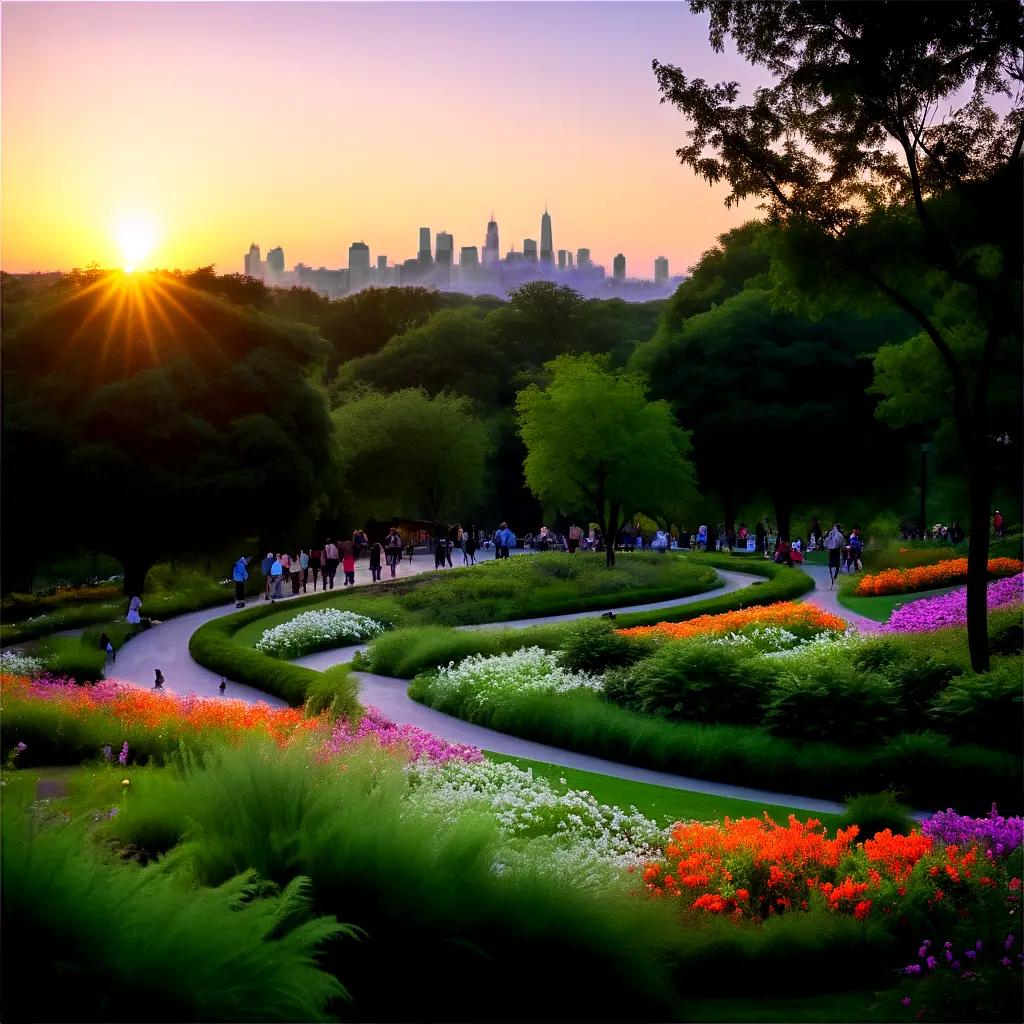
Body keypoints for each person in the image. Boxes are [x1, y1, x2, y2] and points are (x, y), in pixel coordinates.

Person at [823, 522, 845, 588]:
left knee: (832, 563)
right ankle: (834, 575)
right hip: (835, 550)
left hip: (833, 550)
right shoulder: (837, 534)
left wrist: (827, 545)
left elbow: (827, 541)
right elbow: (841, 543)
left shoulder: (833, 533)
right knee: (835, 563)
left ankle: (833, 575)